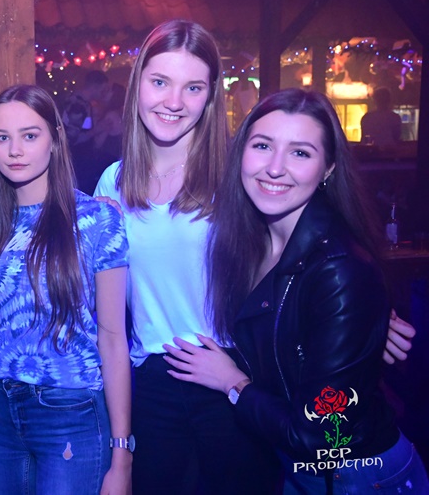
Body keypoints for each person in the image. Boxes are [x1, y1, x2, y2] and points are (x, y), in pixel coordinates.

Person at [93, 19, 416, 494]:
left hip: (236, 371)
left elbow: (302, 252)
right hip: (154, 382)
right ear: (137, 83)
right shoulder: (114, 183)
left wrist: (363, 318)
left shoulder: (243, 172)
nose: (174, 101)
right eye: (160, 82)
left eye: (193, 87)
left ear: (210, 96)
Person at [165, 88, 429, 493]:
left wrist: (232, 383)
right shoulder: (250, 242)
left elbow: (320, 435)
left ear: (328, 169)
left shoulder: (338, 269)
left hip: (359, 477)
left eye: (300, 153)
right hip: (299, 471)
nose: (275, 168)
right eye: (262, 146)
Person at [0, 85, 131, 494]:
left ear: (55, 139)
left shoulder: (97, 220)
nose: (14, 150)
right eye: (1, 137)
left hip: (69, 411)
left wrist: (122, 453)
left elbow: (114, 339)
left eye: (29, 135)